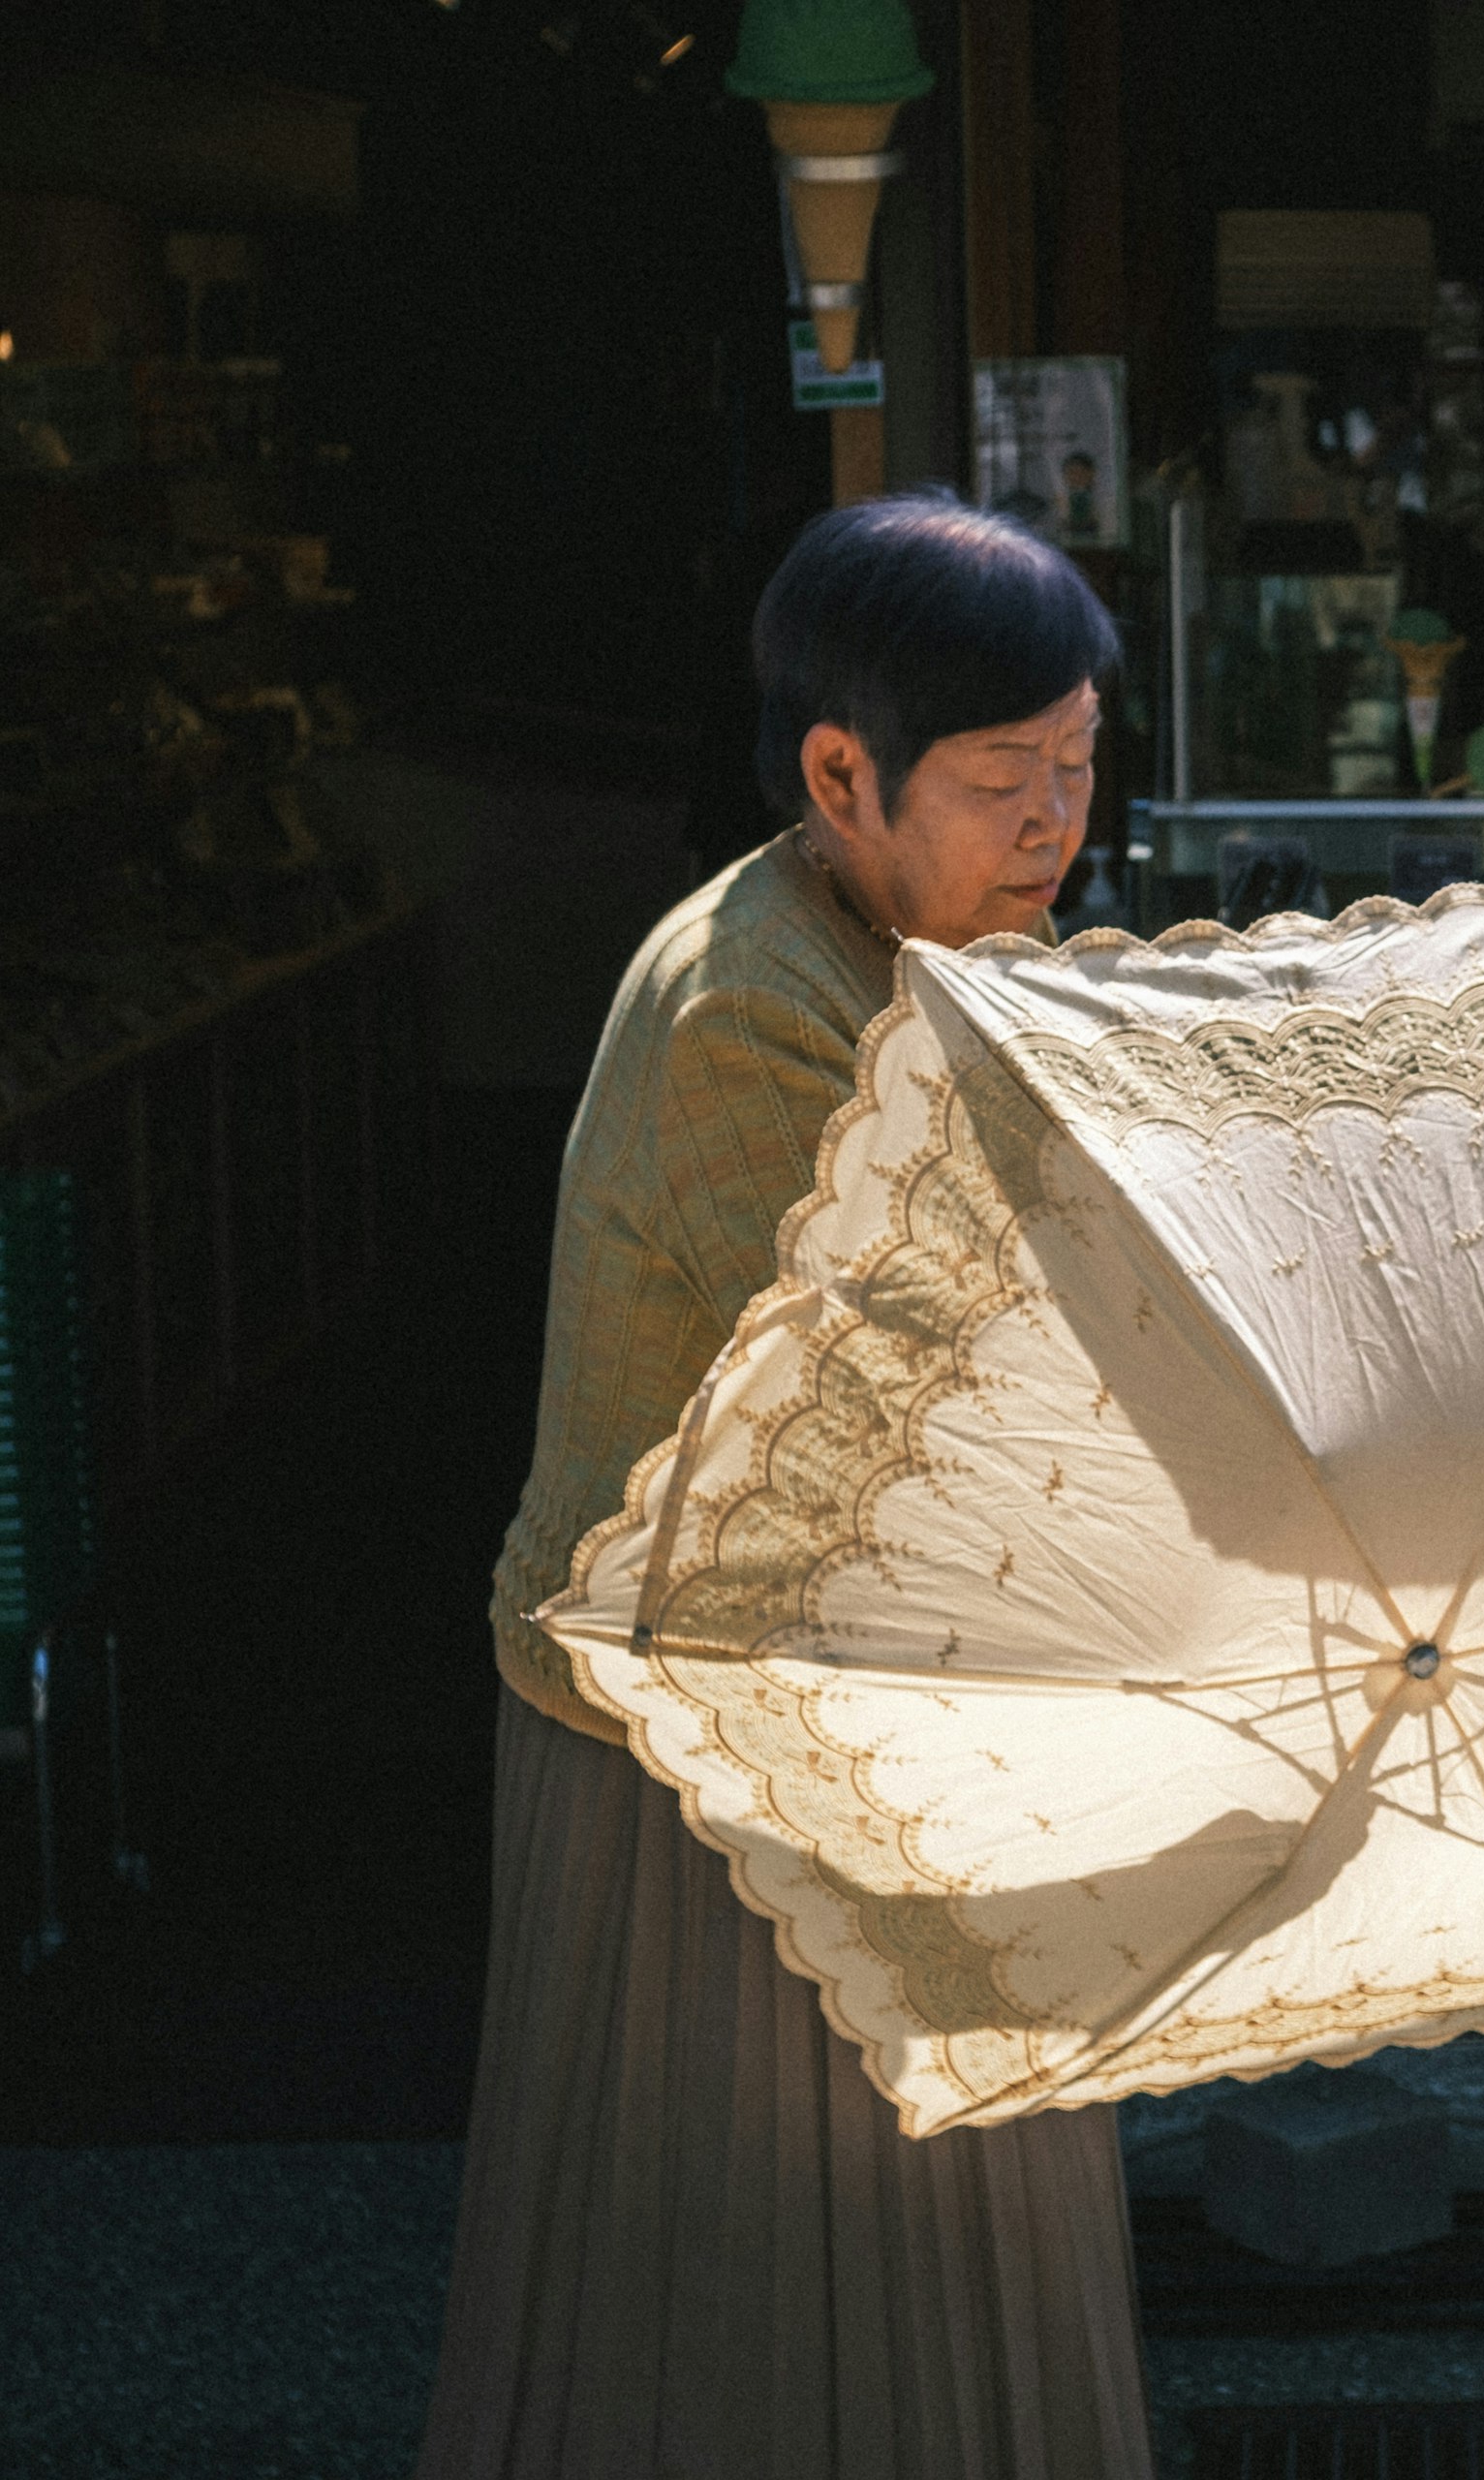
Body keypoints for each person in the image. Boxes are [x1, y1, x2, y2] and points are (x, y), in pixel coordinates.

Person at [416, 494, 1153, 2480]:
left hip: (901, 1687)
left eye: (1080, 769)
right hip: (710, 1740)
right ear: (842, 773)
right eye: (1005, 780)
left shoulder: (938, 928)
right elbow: (917, 1401)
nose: (1056, 827)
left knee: (929, 2272)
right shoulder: (751, 1003)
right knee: (736, 2313)